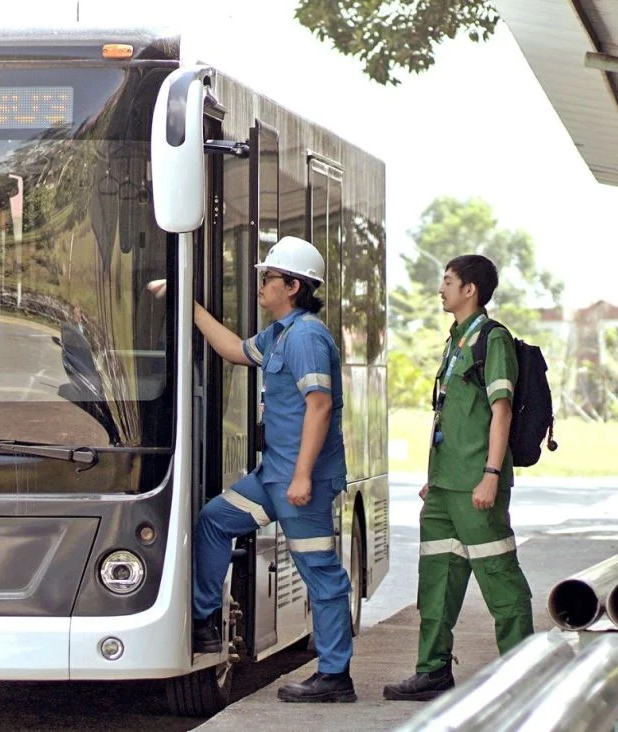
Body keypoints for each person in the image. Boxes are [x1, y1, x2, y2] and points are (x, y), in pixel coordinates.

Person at [153, 235, 355, 704]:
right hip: (272, 477)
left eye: (268, 278)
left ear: (293, 286)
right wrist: (188, 303)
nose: (260, 285)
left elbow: (320, 406)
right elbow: (233, 350)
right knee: (215, 520)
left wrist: (303, 476)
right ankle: (205, 621)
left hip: (299, 480)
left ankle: (335, 676)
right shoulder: (281, 332)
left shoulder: (306, 337)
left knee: (321, 574)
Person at [383, 254, 534, 702]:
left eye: (448, 281)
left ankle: (523, 674)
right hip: (446, 488)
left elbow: (500, 412)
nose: (440, 288)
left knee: (500, 580)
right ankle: (432, 672)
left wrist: (490, 475)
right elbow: (451, 411)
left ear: (471, 289)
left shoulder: (494, 339)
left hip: (476, 486)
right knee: (436, 583)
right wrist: (435, 476)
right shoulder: (455, 341)